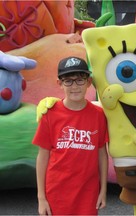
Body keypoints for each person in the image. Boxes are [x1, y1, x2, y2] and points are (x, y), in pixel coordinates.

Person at [32, 56, 109, 215]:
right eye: (68, 80)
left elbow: (102, 153)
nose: (75, 86)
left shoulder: (98, 115)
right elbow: (42, 156)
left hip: (88, 192)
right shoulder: (50, 114)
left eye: (80, 80)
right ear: (59, 83)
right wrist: (41, 198)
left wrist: (103, 190)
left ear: (89, 82)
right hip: (56, 192)